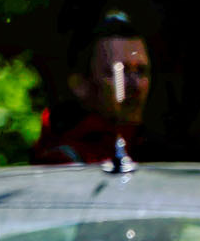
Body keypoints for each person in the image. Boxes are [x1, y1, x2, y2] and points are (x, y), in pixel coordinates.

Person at [34, 13, 153, 166]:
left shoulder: (154, 149)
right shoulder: (63, 160)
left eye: (141, 71)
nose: (135, 85)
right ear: (80, 85)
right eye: (118, 72)